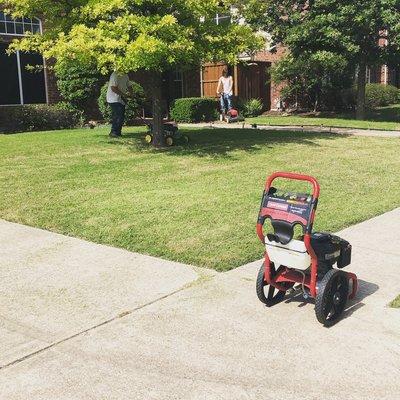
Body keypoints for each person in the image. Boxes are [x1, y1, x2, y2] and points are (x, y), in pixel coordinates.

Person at [106, 71, 134, 137]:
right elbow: (113, 88)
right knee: (118, 115)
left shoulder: (125, 75)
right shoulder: (115, 74)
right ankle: (114, 133)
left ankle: (117, 133)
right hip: (113, 99)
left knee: (121, 116)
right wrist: (124, 95)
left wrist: (131, 94)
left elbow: (129, 85)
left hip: (120, 99)